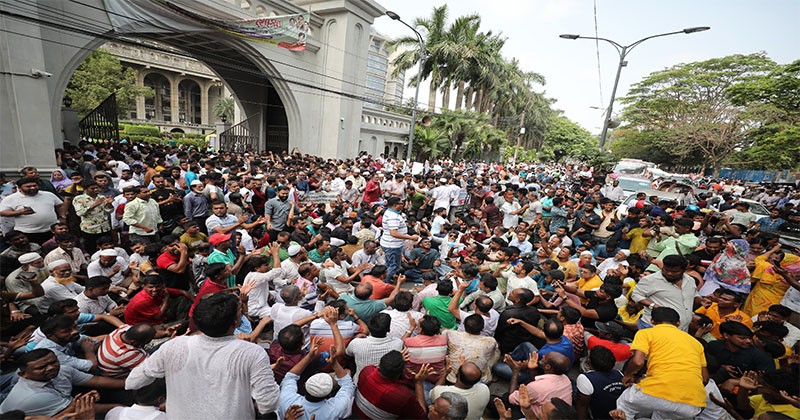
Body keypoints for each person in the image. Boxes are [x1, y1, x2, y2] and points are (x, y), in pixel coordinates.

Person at [125, 293, 280, 419]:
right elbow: (268, 403)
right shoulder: (252, 353)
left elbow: (133, 381)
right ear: (235, 323)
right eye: (240, 313)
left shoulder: (175, 346)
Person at [616, 307, 708, 419]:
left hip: (657, 391)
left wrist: (628, 375)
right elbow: (705, 379)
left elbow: (638, 362)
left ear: (652, 321)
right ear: (678, 323)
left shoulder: (646, 333)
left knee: (625, 404)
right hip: (693, 404)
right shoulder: (695, 343)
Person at [0, 348, 125, 416]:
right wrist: (123, 408)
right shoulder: (33, 396)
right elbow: (76, 410)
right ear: (23, 375)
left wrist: (130, 383)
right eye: (41, 368)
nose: (51, 367)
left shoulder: (62, 370)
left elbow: (96, 380)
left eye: (53, 362)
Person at [277, 337, 355, 420]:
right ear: (329, 394)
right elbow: (348, 385)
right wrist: (335, 364)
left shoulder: (287, 401)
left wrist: (310, 356)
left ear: (305, 386)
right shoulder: (335, 409)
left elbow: (290, 376)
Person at [352, 350, 427, 419]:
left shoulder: (367, 371)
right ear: (400, 373)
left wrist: (396, 360)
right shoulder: (403, 396)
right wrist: (419, 382)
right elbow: (422, 415)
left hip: (357, 414)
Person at [631, 254, 696, 331]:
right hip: (653, 327)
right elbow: (635, 295)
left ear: (683, 270)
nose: (669, 273)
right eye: (666, 270)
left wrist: (701, 300)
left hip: (681, 329)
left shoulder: (690, 281)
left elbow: (693, 294)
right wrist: (653, 306)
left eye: (674, 272)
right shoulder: (650, 280)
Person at [0, 177, 64, 245]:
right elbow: (2, 212)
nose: (33, 188)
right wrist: (19, 212)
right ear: (19, 188)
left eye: (34, 185)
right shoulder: (11, 198)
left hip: (50, 231)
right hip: (27, 232)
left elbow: (60, 205)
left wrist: (62, 217)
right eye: (28, 186)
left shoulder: (48, 195)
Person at [346, 313, 404, 382]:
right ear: (388, 329)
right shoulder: (398, 343)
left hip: (359, 383)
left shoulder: (356, 343)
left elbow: (347, 353)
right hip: (384, 385)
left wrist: (355, 339)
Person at [443, 314, 500, 384]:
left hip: (452, 377)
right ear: (482, 328)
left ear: (464, 326)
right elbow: (495, 356)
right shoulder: (490, 341)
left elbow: (443, 331)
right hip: (479, 379)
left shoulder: (452, 334)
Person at [575, 346, 625, 420]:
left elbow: (582, 406)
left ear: (589, 362)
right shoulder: (619, 374)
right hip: (619, 415)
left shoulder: (585, 378)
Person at [380, 196, 419, 280]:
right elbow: (393, 233)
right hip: (392, 245)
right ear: (395, 205)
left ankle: (384, 279)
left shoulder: (391, 213)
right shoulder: (393, 216)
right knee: (393, 266)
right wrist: (410, 237)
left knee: (388, 264)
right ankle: (384, 283)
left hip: (390, 243)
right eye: (401, 203)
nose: (403, 204)